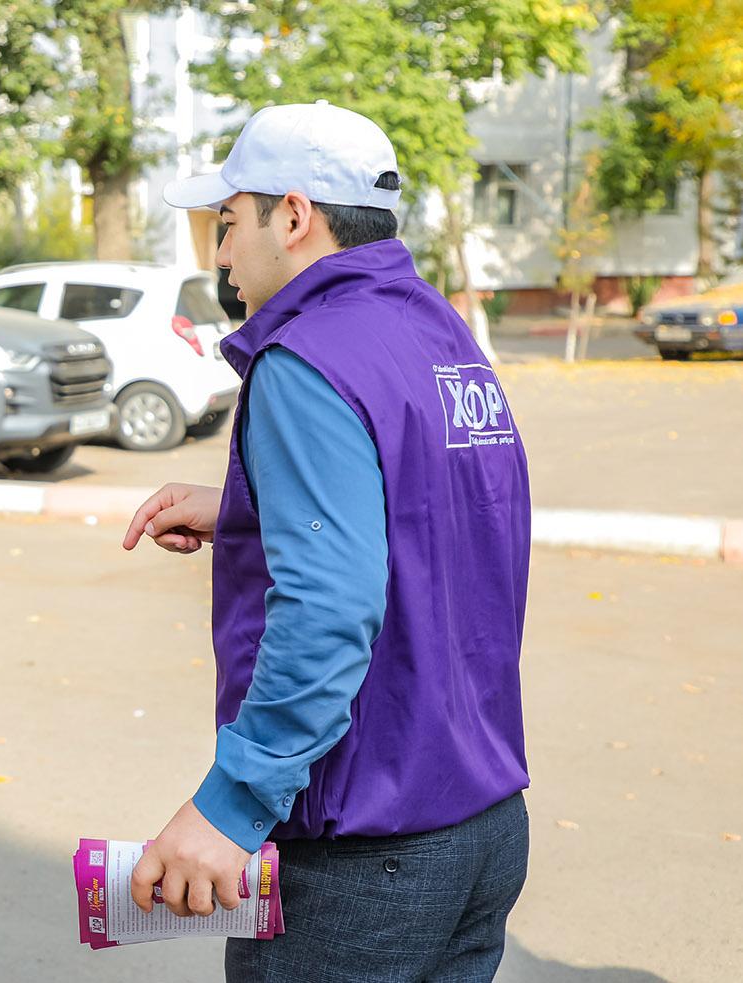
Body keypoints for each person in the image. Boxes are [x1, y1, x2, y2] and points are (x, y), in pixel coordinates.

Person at [122, 103, 532, 982]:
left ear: (295, 216)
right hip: (484, 825)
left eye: (228, 223)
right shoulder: (437, 332)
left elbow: (330, 605)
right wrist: (248, 508)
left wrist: (231, 805)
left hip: (366, 859)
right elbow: (437, 512)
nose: (222, 254)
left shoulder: (307, 356)